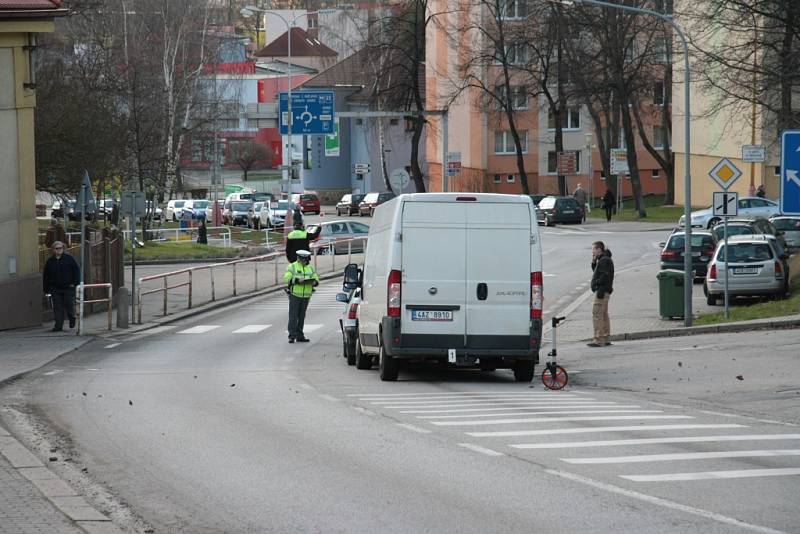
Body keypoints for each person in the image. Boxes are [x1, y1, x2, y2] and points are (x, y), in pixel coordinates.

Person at [42, 240, 81, 332]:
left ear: (63, 248)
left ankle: (72, 318)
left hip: (68, 287)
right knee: (57, 307)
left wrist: (74, 283)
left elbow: (76, 271)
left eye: (61, 248)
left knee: (69, 305)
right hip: (55, 288)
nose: (59, 250)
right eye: (57, 248)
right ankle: (58, 326)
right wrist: (46, 289)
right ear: (53, 250)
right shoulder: (50, 261)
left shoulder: (69, 259)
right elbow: (46, 276)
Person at [283, 249, 320, 343]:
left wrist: (314, 282)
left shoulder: (310, 268)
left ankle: (300, 335)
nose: (304, 260)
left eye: (306, 259)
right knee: (293, 316)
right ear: (298, 258)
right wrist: (297, 280)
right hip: (295, 295)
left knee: (301, 316)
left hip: (306, 296)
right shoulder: (292, 266)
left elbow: (316, 278)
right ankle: (292, 335)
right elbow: (286, 278)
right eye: (302, 258)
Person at [588, 241, 614, 347]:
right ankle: (606, 338)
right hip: (604, 291)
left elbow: (604, 275)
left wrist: (597, 285)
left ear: (599, 249)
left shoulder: (604, 260)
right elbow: (597, 272)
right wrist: (594, 262)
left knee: (597, 314)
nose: (592, 252)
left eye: (593, 249)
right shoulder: (604, 259)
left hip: (601, 291)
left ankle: (598, 339)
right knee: (603, 314)